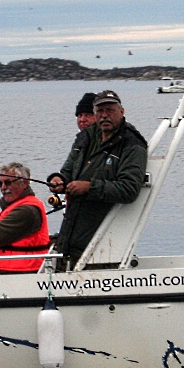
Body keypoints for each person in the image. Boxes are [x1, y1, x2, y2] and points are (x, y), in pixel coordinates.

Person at [48, 90, 147, 270]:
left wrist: (89, 187)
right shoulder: (85, 137)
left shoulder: (132, 144)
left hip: (102, 241)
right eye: (100, 111)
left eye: (110, 110)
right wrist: (59, 181)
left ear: (121, 111)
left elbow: (130, 189)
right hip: (71, 234)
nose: (104, 116)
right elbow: (68, 171)